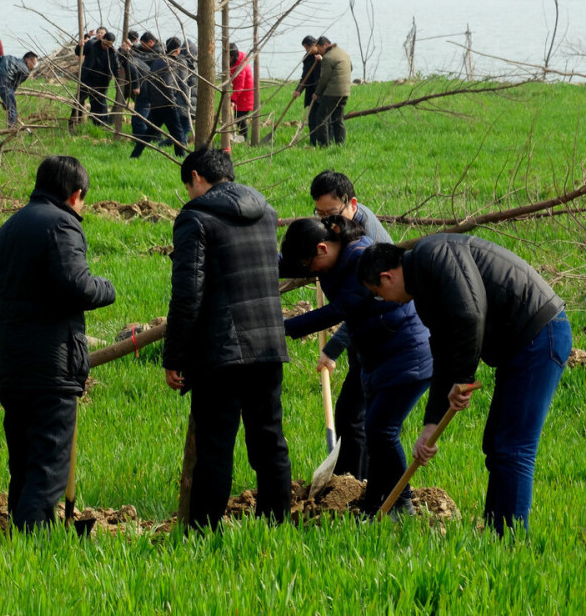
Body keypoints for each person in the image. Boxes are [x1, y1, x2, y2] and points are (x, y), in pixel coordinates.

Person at [357, 236, 572, 535]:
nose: (385, 301)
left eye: (378, 294)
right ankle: (497, 532)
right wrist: (431, 424)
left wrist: (463, 380)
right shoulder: (425, 291)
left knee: (512, 447)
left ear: (387, 277)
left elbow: (470, 314)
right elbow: (443, 354)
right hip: (521, 346)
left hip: (540, 334)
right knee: (496, 445)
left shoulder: (434, 255)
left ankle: (509, 541)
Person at [163, 148, 291, 529]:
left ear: (198, 177)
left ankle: (203, 533)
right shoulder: (267, 212)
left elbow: (188, 293)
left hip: (220, 351)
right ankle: (276, 523)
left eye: (188, 185)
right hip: (268, 344)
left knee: (215, 448)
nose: (188, 194)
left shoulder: (195, 218)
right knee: (269, 442)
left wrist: (174, 356)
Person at [0, 155, 116, 531]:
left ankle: (19, 534)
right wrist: (107, 288)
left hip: (12, 364)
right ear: (76, 195)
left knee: (24, 463)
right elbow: (76, 286)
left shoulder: (8, 228)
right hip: (51, 366)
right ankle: (36, 545)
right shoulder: (62, 224)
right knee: (48, 468)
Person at [279, 216, 432, 517]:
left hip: (406, 353)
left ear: (322, 249)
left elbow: (339, 310)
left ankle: (403, 503)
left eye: (309, 265)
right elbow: (289, 264)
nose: (309, 273)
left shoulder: (360, 258)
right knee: (375, 433)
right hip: (376, 357)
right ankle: (372, 503)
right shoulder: (334, 256)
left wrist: (279, 326)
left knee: (382, 431)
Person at [305, 169, 393, 480]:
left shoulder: (364, 244)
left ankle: (353, 485)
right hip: (366, 329)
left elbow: (357, 306)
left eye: (331, 214)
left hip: (385, 331)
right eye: (319, 214)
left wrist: (332, 348)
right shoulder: (337, 226)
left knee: (356, 416)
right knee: (355, 415)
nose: (326, 222)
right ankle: (350, 481)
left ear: (351, 204)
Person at [133, 36, 186, 157]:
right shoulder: (171, 63)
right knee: (177, 133)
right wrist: (172, 100)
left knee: (148, 133)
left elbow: (150, 82)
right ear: (177, 50)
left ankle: (135, 155)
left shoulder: (158, 61)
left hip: (156, 103)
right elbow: (168, 84)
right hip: (167, 104)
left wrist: (152, 99)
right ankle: (181, 157)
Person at [71, 30, 118, 129]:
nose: (106, 46)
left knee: (100, 104)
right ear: (102, 39)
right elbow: (78, 52)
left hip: (102, 82)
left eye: (109, 44)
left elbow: (115, 68)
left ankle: (100, 125)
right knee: (79, 100)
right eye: (105, 43)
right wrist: (80, 45)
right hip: (87, 79)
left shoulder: (112, 52)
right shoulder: (91, 44)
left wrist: (118, 79)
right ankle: (74, 122)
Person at [312, 36, 351, 147]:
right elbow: (351, 68)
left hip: (332, 93)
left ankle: (323, 145)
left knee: (321, 117)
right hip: (345, 92)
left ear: (325, 45)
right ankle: (340, 144)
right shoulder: (344, 53)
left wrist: (317, 93)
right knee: (338, 118)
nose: (319, 52)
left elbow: (324, 78)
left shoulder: (328, 58)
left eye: (319, 49)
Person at [126, 32, 161, 158]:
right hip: (151, 87)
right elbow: (142, 52)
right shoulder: (152, 48)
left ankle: (141, 140)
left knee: (141, 117)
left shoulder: (158, 52)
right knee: (150, 117)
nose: (142, 46)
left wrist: (131, 51)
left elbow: (145, 57)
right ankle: (151, 139)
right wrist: (133, 46)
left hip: (151, 87)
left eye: (143, 44)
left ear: (151, 42)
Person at [293, 35, 323, 146]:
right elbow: (305, 76)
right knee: (312, 119)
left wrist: (321, 60)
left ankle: (324, 142)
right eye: (305, 49)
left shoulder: (323, 56)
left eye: (308, 48)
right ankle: (313, 142)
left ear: (315, 45)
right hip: (311, 92)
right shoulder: (307, 58)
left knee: (322, 119)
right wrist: (298, 90)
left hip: (322, 92)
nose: (307, 51)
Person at [229, 43, 255, 141]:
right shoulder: (235, 63)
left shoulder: (240, 66)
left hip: (245, 96)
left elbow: (240, 86)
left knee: (240, 118)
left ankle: (244, 137)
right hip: (241, 95)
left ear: (233, 56)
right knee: (238, 117)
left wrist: (232, 99)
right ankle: (241, 137)